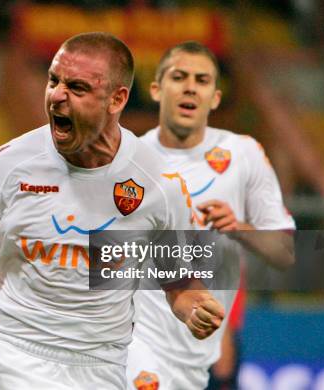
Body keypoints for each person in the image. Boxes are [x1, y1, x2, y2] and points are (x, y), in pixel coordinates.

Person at [0, 32, 225, 390]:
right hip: (11, 356)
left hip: (101, 368)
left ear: (117, 99)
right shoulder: (8, 165)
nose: (57, 95)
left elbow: (180, 282)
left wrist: (193, 308)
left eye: (78, 87)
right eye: (54, 80)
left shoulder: (160, 184)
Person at [126, 41, 295, 390]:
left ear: (215, 97)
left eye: (202, 80)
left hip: (198, 354)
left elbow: (284, 252)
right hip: (136, 340)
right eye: (179, 76)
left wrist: (240, 228)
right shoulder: (130, 160)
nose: (190, 86)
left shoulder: (243, 154)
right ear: (157, 89)